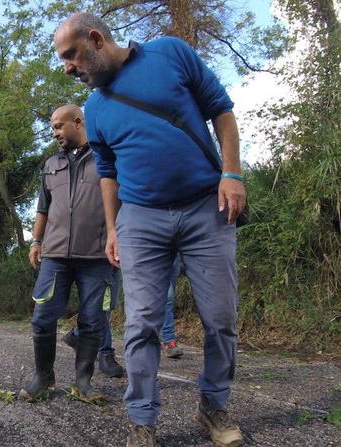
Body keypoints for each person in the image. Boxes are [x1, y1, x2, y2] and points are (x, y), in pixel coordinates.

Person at [54, 13, 246, 447]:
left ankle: (213, 407)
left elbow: (221, 109)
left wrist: (232, 174)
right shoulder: (96, 109)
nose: (68, 67)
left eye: (71, 56)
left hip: (205, 207)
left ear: (97, 40)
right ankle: (142, 421)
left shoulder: (170, 54)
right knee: (140, 322)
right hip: (140, 219)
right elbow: (107, 172)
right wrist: (114, 227)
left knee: (220, 319)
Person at [20, 104, 115, 402]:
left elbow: (122, 199)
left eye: (59, 126)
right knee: (42, 316)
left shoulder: (106, 156)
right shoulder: (50, 164)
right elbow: (43, 208)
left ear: (78, 122)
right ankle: (43, 376)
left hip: (98, 256)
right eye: (52, 128)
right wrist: (36, 242)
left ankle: (83, 382)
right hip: (55, 254)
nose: (55, 133)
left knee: (93, 319)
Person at [62, 267, 125, 378]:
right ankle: (105, 353)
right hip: (96, 257)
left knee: (110, 303)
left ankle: (77, 334)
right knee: (101, 305)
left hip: (119, 257)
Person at [162, 257, 184, 359]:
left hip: (175, 255)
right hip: (155, 251)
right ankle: (168, 340)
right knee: (167, 296)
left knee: (167, 301)